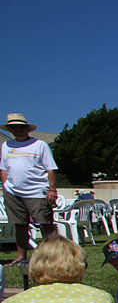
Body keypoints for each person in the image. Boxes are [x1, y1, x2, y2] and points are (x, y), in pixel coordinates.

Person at [0, 113, 59, 265]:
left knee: (46, 224)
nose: (18, 130)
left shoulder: (40, 145)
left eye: (21, 127)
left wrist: (52, 189)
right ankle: (21, 257)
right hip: (13, 192)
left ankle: (53, 257)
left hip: (37, 191)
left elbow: (51, 169)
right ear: (10, 130)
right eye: (13, 127)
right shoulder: (6, 145)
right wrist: (6, 185)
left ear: (27, 129)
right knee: (19, 225)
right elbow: (3, 168)